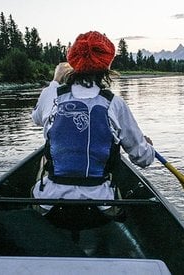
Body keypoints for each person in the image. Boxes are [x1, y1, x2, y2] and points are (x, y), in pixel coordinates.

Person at [31, 31, 155, 217]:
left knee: (44, 156)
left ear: (73, 61)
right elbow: (143, 159)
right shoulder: (115, 104)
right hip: (101, 210)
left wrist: (55, 81)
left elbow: (37, 119)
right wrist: (148, 147)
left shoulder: (52, 95)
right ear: (107, 65)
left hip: (50, 208)